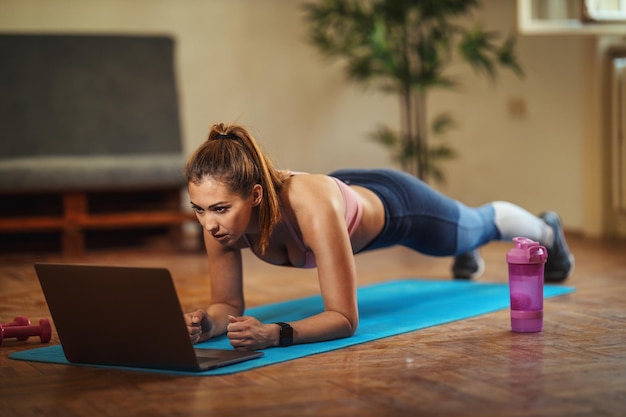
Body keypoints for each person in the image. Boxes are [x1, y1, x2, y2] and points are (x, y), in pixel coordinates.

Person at [184, 123, 574, 351]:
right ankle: (467, 251)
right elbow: (226, 303)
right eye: (198, 209)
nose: (209, 224)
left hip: (397, 206)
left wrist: (277, 334)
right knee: (461, 239)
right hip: (347, 191)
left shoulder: (310, 207)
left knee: (472, 227)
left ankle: (546, 229)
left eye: (220, 208)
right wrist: (208, 325)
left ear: (255, 196)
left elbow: (344, 318)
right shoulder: (219, 224)